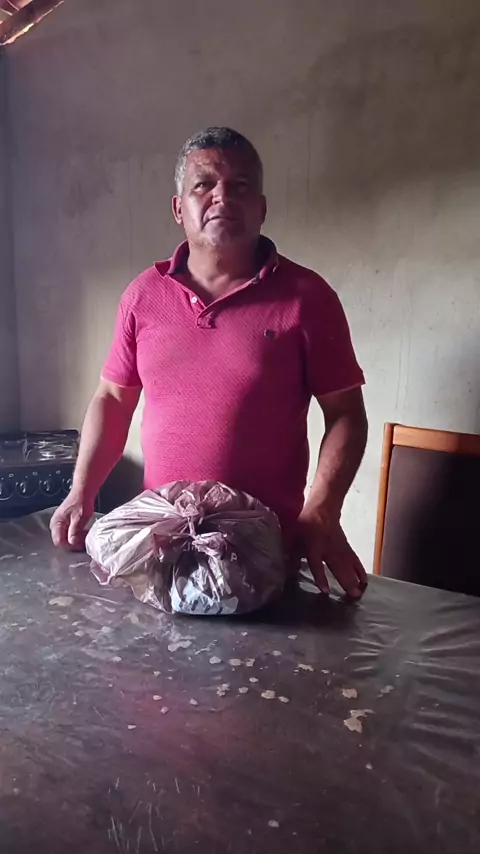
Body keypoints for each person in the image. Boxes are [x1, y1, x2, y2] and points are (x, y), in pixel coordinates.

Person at [50, 127, 368, 598]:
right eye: (204, 185)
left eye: (240, 186)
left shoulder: (308, 298)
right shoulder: (143, 296)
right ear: (179, 208)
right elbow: (113, 400)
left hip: (264, 555)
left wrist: (322, 509)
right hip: (163, 547)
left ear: (261, 208)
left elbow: (346, 415)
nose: (222, 196)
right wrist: (82, 491)